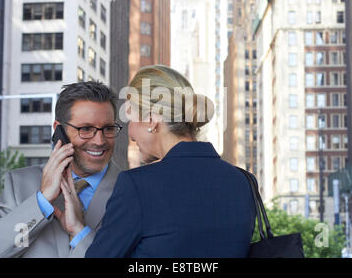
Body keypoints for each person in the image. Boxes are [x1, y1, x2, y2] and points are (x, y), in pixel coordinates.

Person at [85, 65, 256, 258]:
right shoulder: (244, 182)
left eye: (130, 120)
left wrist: (79, 231)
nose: (130, 134)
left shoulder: (137, 186)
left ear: (151, 120)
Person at [0, 81, 123, 257]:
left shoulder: (133, 190)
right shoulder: (19, 184)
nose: (99, 141)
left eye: (108, 128)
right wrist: (41, 202)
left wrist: (80, 234)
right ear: (59, 130)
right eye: (86, 129)